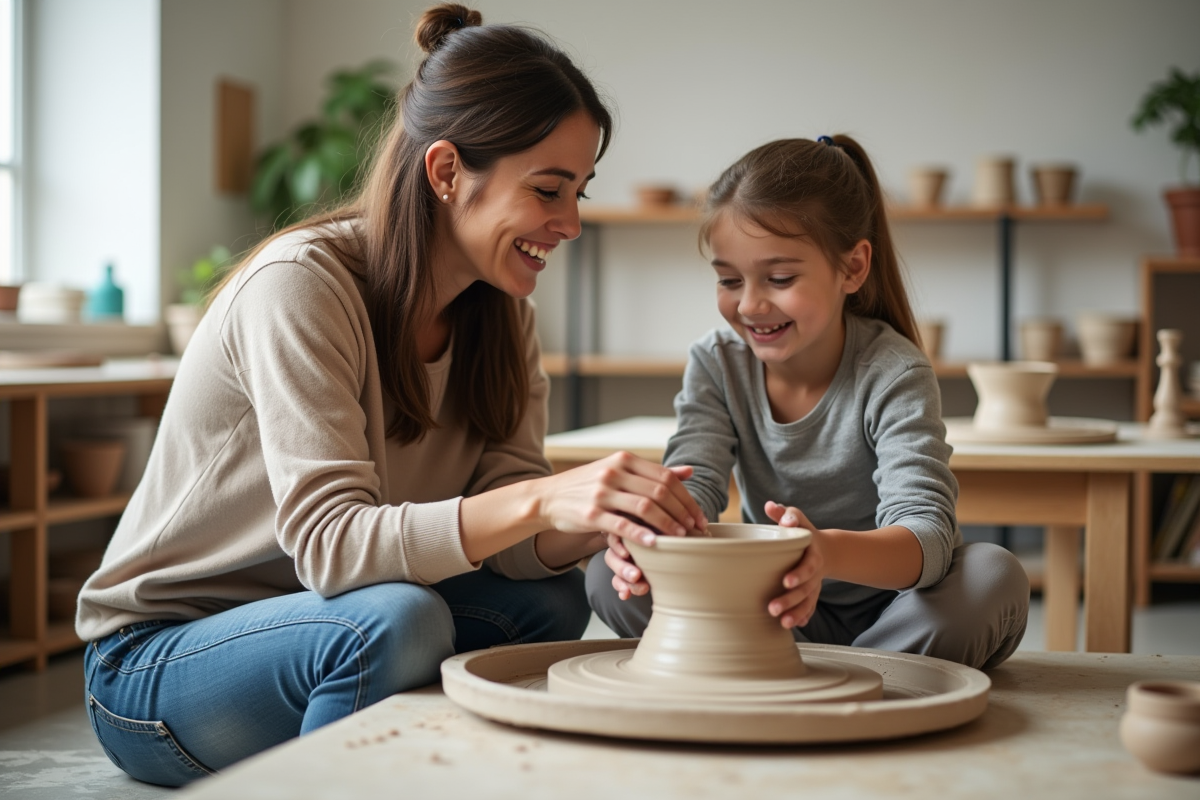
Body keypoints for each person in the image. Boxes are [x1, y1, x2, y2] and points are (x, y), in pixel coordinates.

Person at [77, 5, 704, 787]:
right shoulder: (300, 286)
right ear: (446, 172)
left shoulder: (503, 314)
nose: (570, 223)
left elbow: (510, 536)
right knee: (396, 620)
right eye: (548, 190)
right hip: (157, 664)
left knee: (548, 600)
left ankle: (408, 765)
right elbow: (333, 548)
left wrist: (600, 522)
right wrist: (547, 498)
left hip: (331, 620)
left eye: (579, 191)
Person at [587, 135, 1030, 671]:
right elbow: (695, 492)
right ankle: (844, 675)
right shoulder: (717, 361)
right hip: (770, 611)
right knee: (607, 576)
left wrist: (822, 552)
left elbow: (928, 538)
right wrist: (647, 537)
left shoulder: (893, 370)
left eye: (780, 278)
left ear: (853, 267)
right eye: (729, 280)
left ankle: (818, 672)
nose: (750, 304)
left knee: (991, 575)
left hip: (895, 612)